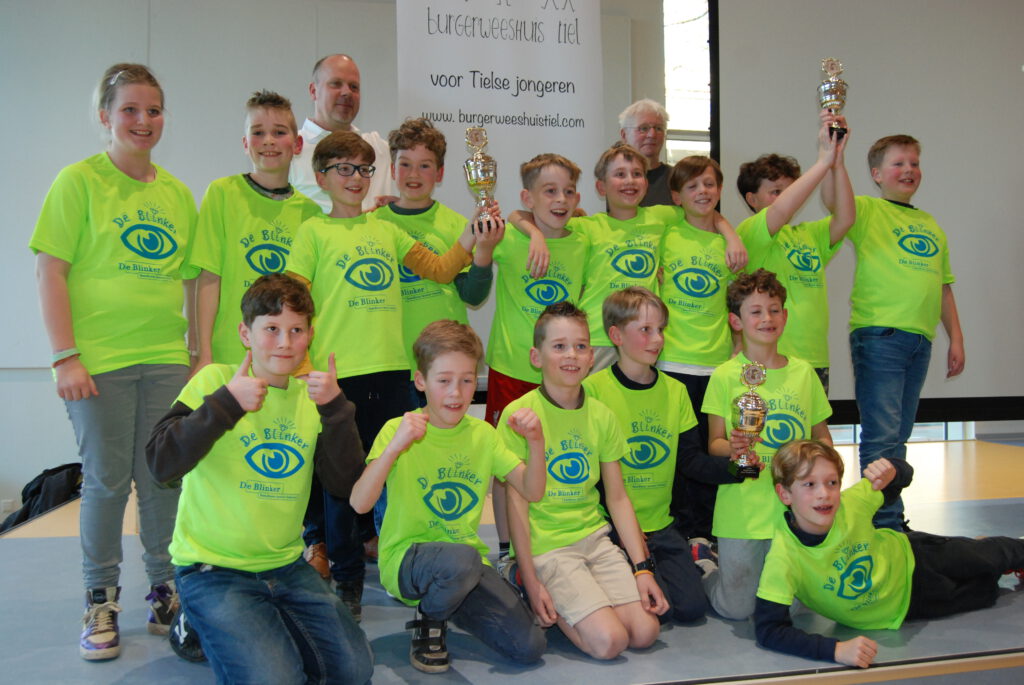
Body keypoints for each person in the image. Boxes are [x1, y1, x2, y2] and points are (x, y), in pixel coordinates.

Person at [286, 130, 500, 620]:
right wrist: (303, 370)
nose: (355, 179)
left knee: (393, 475)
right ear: (321, 176)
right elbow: (294, 303)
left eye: (363, 169)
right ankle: (346, 579)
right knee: (341, 486)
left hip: (392, 374)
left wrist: (475, 231)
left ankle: (396, 560)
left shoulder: (386, 230)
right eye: (343, 169)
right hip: (339, 380)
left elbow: (443, 269)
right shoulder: (312, 232)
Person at [30, 63, 197, 660]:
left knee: (161, 479)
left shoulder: (177, 193)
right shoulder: (77, 182)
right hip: (98, 363)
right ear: (105, 116)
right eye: (130, 109)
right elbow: (50, 271)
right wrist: (65, 357)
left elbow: (190, 280)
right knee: (105, 482)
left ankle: (163, 591)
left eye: (153, 110)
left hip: (165, 358)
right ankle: (100, 600)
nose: (143, 121)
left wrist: (194, 355)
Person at [146, 274, 373, 684]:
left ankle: (253, 622)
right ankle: (194, 620)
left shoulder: (314, 398)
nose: (284, 343)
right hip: (211, 569)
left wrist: (337, 409)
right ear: (245, 334)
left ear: (310, 336)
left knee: (354, 671)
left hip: (286, 566)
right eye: (271, 329)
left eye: (296, 330)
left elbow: (344, 487)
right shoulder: (215, 381)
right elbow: (161, 464)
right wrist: (227, 404)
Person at [350, 320, 547, 673]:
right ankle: (430, 617)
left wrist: (536, 443)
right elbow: (359, 503)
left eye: (467, 380)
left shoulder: (483, 435)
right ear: (421, 381)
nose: (456, 393)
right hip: (407, 559)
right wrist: (394, 448)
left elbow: (532, 490)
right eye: (444, 381)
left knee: (529, 645)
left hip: (465, 564)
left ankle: (450, 601)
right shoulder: (398, 428)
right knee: (461, 561)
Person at [755, 439, 1024, 668]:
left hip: (918, 555)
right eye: (809, 485)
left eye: (832, 482)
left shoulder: (851, 503)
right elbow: (769, 630)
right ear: (785, 494)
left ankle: (994, 549)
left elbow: (902, 477)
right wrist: (835, 650)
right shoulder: (784, 557)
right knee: (986, 593)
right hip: (911, 606)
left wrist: (892, 469)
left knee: (991, 556)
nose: (824, 494)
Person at [501, 302, 669, 660]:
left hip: (594, 540)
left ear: (592, 357)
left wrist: (642, 570)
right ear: (536, 356)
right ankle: (529, 586)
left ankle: (588, 602)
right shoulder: (519, 416)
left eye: (580, 346)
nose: (571, 355)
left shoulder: (602, 415)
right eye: (559, 346)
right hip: (549, 548)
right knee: (610, 642)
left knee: (645, 632)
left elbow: (618, 498)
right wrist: (531, 578)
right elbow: (516, 506)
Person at [825, 134, 965, 531]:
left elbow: (943, 287)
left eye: (914, 163)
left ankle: (888, 515)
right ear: (876, 174)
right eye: (898, 163)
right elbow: (834, 202)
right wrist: (834, 159)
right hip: (880, 336)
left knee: (898, 435)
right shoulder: (869, 210)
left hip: (919, 341)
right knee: (882, 435)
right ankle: (883, 522)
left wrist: (956, 338)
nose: (909, 170)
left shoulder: (930, 224)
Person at [583, 287, 746, 623]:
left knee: (689, 609)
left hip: (661, 526)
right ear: (616, 336)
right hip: (610, 527)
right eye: (645, 330)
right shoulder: (593, 391)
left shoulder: (676, 391)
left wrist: (739, 468)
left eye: (660, 329)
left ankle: (687, 559)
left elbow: (690, 461)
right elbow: (590, 473)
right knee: (652, 611)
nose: (657, 339)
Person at [700, 269, 832, 621]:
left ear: (785, 316)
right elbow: (714, 444)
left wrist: (823, 471)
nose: (767, 319)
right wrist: (734, 448)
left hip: (794, 508)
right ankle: (706, 568)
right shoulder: (724, 375)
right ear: (736, 321)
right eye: (755, 311)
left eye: (774, 310)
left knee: (799, 608)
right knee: (738, 609)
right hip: (743, 510)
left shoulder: (804, 373)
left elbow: (822, 437)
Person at [486, 152, 590, 561]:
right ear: (529, 197)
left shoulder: (584, 240)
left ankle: (551, 541)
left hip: (561, 376)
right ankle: (507, 550)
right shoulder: (510, 237)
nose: (560, 199)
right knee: (505, 465)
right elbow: (508, 216)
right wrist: (532, 231)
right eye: (550, 191)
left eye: (568, 191)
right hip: (511, 371)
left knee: (554, 458)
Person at [191, 90, 320, 369]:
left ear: (297, 144)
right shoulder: (222, 194)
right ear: (245, 143)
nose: (269, 141)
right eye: (258, 132)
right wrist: (204, 355)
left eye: (279, 132)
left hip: (286, 361)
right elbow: (209, 279)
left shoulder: (311, 214)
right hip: (228, 357)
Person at [657, 156, 746, 545]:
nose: (702, 192)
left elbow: (735, 304)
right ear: (676, 196)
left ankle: (710, 534)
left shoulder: (730, 246)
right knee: (680, 455)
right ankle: (682, 534)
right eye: (691, 186)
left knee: (713, 454)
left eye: (709, 184)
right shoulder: (665, 230)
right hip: (672, 361)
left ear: (720, 190)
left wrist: (738, 349)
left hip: (716, 366)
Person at [736, 113, 854, 394]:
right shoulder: (750, 232)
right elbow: (780, 210)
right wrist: (822, 161)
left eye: (790, 190)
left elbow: (846, 218)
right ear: (752, 199)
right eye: (775, 191)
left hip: (813, 357)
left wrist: (837, 162)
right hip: (771, 358)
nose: (788, 197)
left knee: (811, 425)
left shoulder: (808, 234)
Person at [377, 117, 496, 391]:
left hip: (444, 361)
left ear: (439, 174)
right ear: (393, 170)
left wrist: (485, 250)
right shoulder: (374, 223)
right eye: (405, 164)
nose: (414, 174)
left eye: (425, 166)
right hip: (392, 360)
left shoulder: (457, 225)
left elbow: (473, 296)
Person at [290, 54, 395, 211]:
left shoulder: (381, 151)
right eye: (336, 84)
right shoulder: (288, 152)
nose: (347, 92)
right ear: (313, 91)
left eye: (354, 87)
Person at [618, 98, 673, 206]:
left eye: (658, 128)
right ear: (624, 135)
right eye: (643, 128)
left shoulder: (678, 179)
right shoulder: (614, 180)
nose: (652, 135)